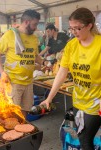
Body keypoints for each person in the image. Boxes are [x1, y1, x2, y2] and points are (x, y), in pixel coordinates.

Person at [40, 7, 101, 150]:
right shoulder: (72, 45)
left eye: (77, 28)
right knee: (80, 135)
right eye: (71, 28)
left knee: (85, 138)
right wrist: (49, 98)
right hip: (79, 100)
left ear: (89, 26)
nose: (73, 32)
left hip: (96, 103)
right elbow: (61, 73)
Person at [0, 9, 45, 117]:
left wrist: (45, 63)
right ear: (26, 22)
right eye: (34, 24)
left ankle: (23, 131)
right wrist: (2, 72)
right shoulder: (9, 35)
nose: (36, 27)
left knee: (25, 110)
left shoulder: (34, 38)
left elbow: (34, 56)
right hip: (13, 81)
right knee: (13, 113)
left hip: (29, 81)